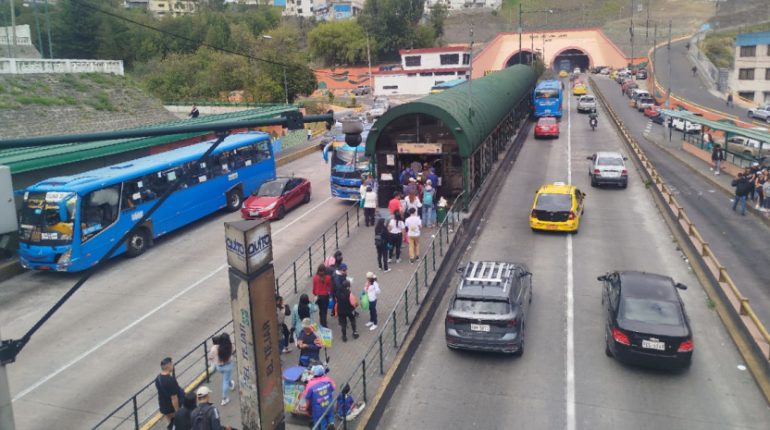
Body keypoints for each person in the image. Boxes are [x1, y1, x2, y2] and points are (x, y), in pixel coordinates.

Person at [303, 365, 337, 430]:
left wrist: (306, 408)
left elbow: (307, 398)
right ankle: (331, 423)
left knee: (321, 423)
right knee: (330, 416)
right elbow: (333, 387)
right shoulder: (328, 380)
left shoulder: (310, 384)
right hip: (329, 404)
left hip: (318, 410)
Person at [155, 357, 185, 429]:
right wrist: (177, 411)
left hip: (164, 406)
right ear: (168, 365)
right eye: (171, 364)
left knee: (169, 423)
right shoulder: (170, 380)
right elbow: (174, 398)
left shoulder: (158, 378)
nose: (173, 365)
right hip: (171, 408)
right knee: (177, 424)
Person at [207, 333, 235, 406]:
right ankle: (224, 398)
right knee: (225, 380)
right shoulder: (230, 346)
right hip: (228, 366)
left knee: (226, 378)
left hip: (219, 367)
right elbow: (233, 351)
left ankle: (231, 384)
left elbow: (210, 357)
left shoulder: (215, 348)